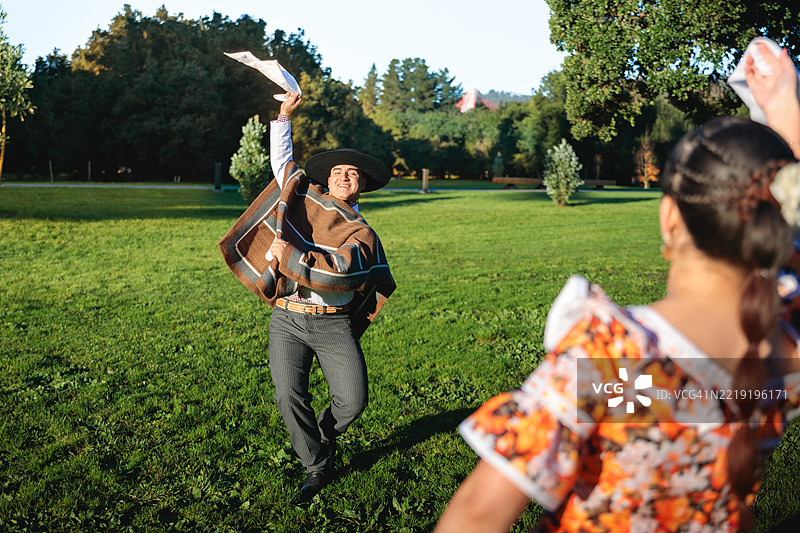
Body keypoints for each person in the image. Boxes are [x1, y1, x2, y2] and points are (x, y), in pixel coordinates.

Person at [435, 44, 800, 533]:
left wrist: (777, 105)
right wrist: (781, 107)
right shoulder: (782, 350)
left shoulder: (616, 358)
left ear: (669, 217)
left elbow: (479, 514)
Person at [218, 92, 395, 501]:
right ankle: (316, 464)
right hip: (288, 317)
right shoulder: (303, 199)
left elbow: (345, 271)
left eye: (353, 174)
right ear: (328, 178)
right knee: (287, 394)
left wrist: (291, 256)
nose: (344, 177)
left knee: (353, 401)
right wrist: (283, 116)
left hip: (332, 322)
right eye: (338, 172)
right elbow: (283, 165)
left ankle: (322, 435)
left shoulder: (361, 233)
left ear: (362, 185)